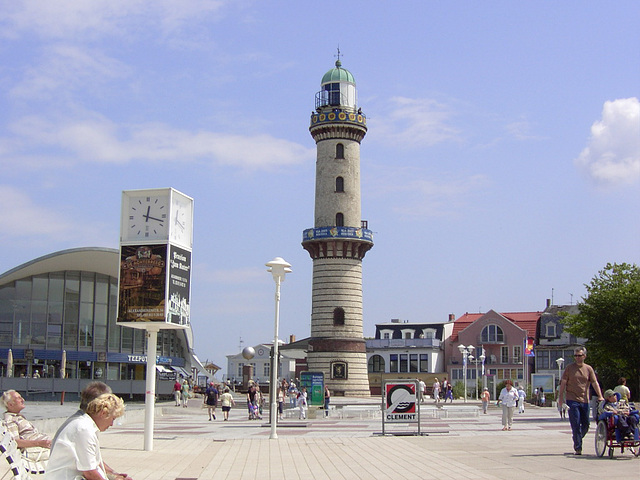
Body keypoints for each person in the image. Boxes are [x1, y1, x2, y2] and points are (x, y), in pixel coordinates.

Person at [44, 393, 128, 480]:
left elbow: (93, 461)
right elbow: (90, 473)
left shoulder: (85, 425)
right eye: (112, 419)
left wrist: (114, 475)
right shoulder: (84, 429)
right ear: (103, 413)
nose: (111, 424)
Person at [558, 346, 604, 455]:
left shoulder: (588, 369)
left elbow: (594, 383)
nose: (577, 358)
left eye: (579, 355)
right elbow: (563, 383)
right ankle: (578, 447)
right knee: (575, 423)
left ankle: (577, 437)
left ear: (584, 356)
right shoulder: (569, 368)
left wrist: (600, 396)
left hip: (585, 400)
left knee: (586, 424)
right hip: (571, 399)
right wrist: (561, 398)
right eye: (575, 356)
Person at [2, 390, 51, 460]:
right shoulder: (10, 420)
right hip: (35, 451)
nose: (23, 400)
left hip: (40, 448)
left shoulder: (16, 417)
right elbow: (15, 442)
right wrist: (40, 443)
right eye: (18, 398)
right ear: (10, 404)